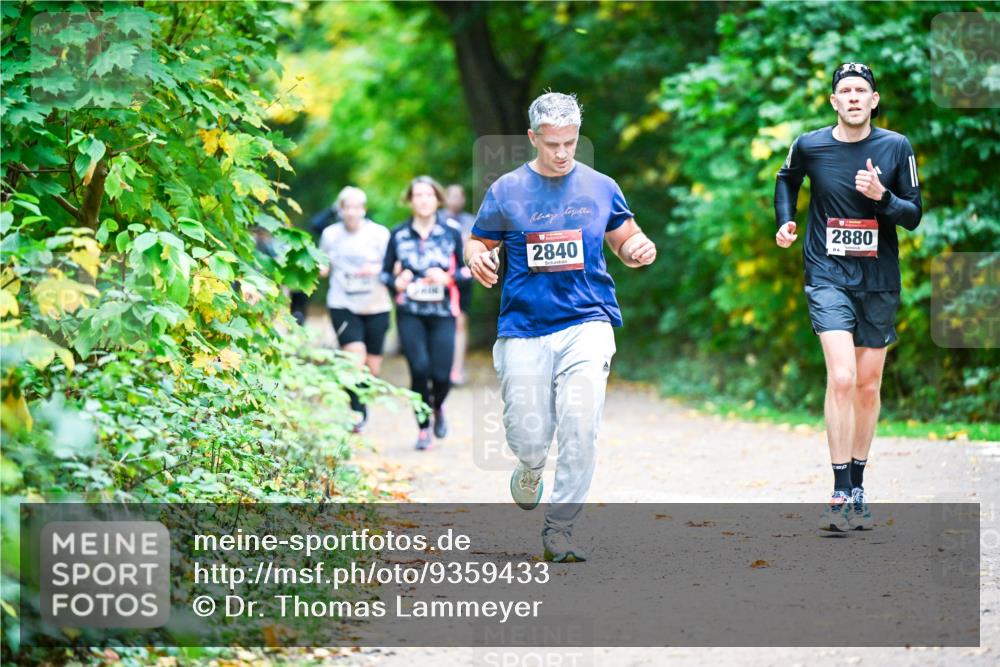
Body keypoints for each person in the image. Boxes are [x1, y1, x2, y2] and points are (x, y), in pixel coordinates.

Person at [465, 92, 657, 562]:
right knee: (528, 436)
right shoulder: (506, 190)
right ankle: (530, 467)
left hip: (587, 321)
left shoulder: (599, 186)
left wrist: (637, 248)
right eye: (552, 144)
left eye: (570, 142)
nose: (563, 153)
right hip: (524, 326)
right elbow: (478, 241)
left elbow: (625, 235)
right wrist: (478, 260)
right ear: (533, 138)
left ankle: (561, 528)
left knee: (580, 423)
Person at [774, 63, 922, 532]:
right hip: (827, 272)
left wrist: (882, 197)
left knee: (868, 384)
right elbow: (787, 178)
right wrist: (785, 219)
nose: (854, 97)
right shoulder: (811, 145)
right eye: (845, 90)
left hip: (878, 278)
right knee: (841, 376)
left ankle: (858, 484)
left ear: (874, 100)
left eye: (862, 90)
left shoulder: (896, 148)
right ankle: (839, 490)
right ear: (834, 101)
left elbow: (913, 215)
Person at [382, 176, 468, 451]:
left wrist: (447, 277)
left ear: (438, 199)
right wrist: (396, 281)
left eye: (428, 195)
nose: (423, 200)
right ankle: (422, 429)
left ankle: (438, 407)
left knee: (443, 375)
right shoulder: (398, 233)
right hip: (410, 312)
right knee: (419, 369)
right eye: (417, 195)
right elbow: (384, 272)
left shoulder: (451, 231)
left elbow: (467, 271)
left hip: (443, 311)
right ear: (410, 200)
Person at [318, 186, 392, 433]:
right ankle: (357, 411)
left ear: (363, 209)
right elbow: (323, 264)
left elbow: (393, 265)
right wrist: (316, 268)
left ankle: (360, 401)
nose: (351, 212)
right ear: (340, 210)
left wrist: (377, 269)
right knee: (353, 361)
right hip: (342, 303)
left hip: (376, 304)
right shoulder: (330, 234)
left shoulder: (379, 234)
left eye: (356, 207)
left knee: (372, 368)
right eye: (346, 207)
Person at [444, 184, 477, 385]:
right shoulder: (436, 219)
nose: (455, 199)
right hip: (439, 278)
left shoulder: (470, 221)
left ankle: (456, 369)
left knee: (460, 322)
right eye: (451, 195)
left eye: (459, 196)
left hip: (462, 279)